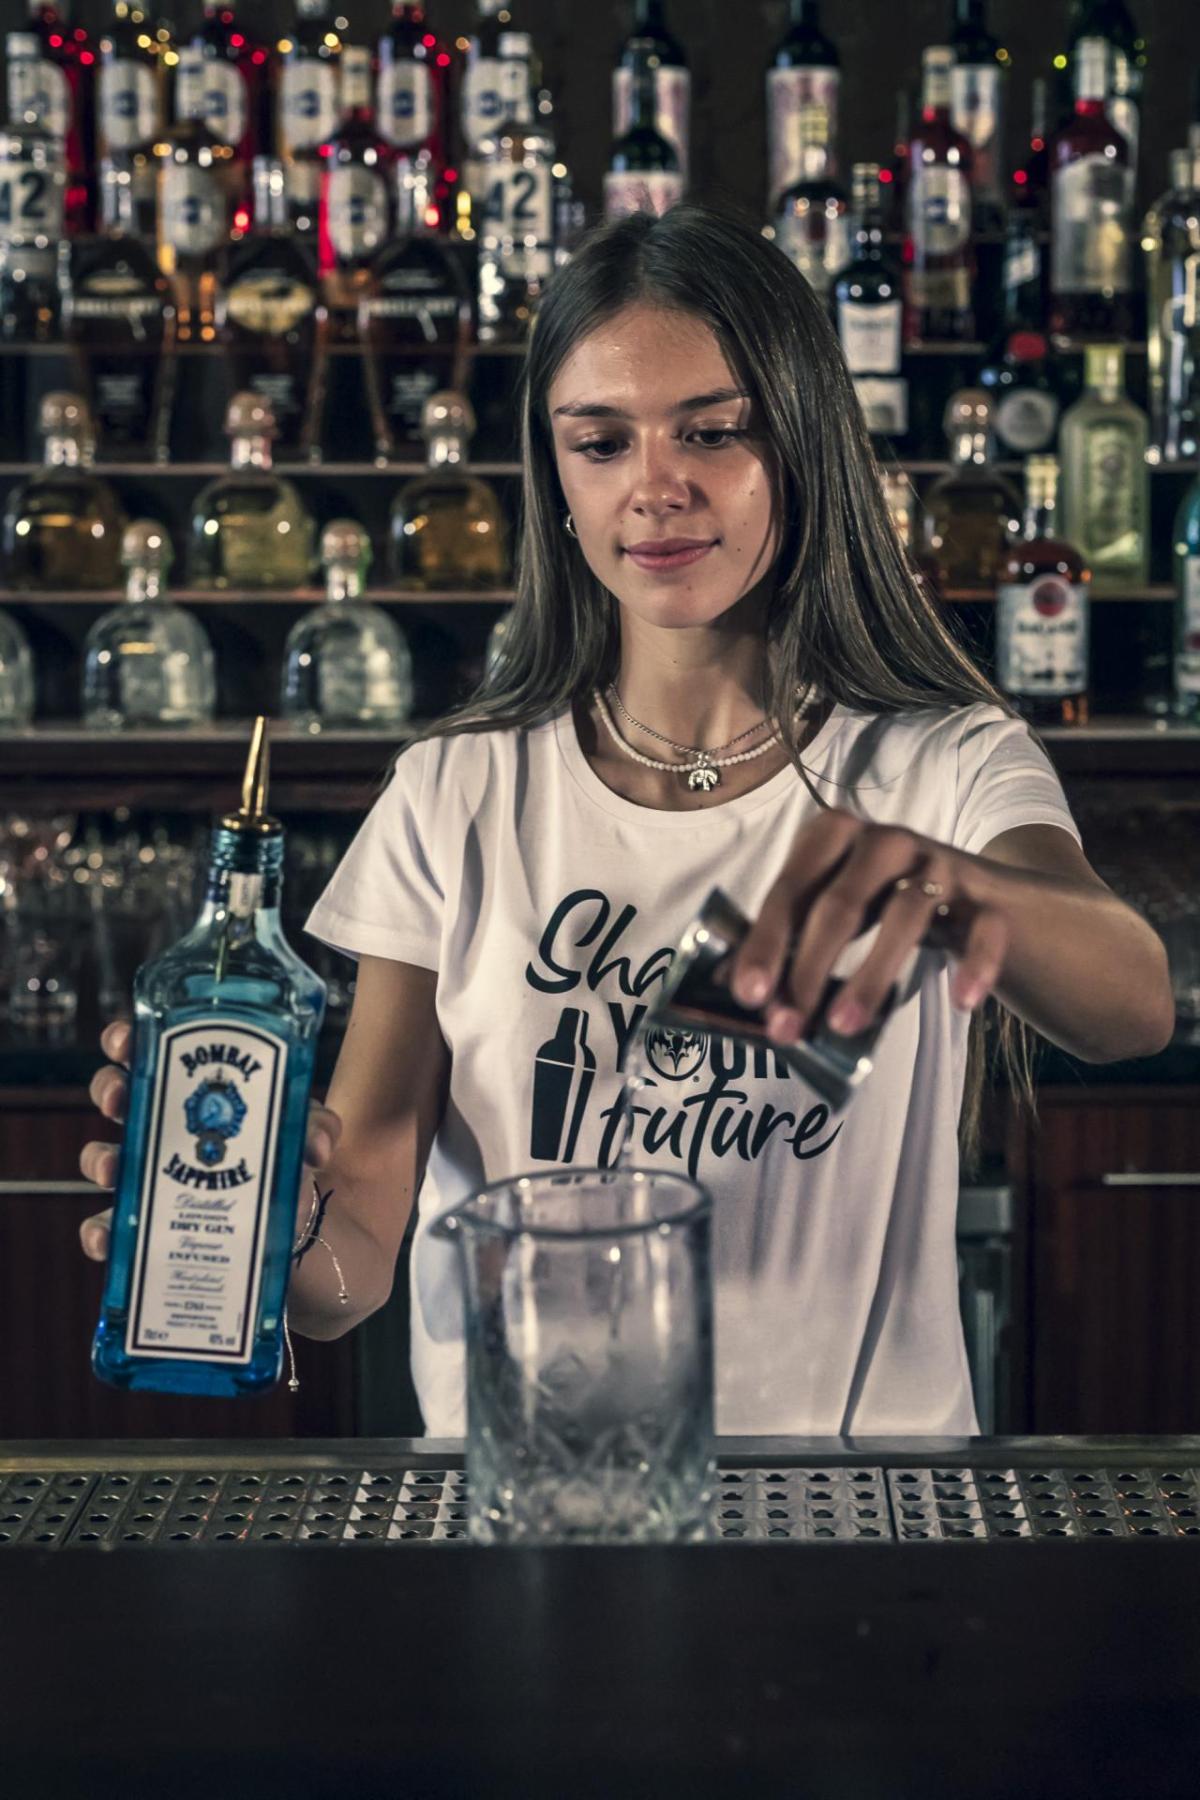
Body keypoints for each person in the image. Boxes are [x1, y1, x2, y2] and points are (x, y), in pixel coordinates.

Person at [79, 203, 1174, 1437]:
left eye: (713, 432)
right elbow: (358, 1261)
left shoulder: (942, 765)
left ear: (803, 444)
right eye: (600, 442)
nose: (657, 487)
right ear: (554, 478)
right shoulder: (459, 791)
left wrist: (942, 884)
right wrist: (269, 1238)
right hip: (532, 1523)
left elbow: (1133, 1004)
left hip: (858, 1528)